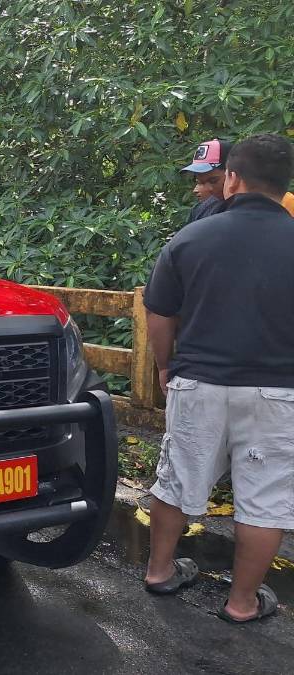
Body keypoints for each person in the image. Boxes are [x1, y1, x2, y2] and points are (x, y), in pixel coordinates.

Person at [142, 133, 294, 623]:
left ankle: (160, 571)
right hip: (277, 389)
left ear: (232, 177)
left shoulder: (192, 238)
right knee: (265, 497)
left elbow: (159, 311)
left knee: (176, 480)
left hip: (199, 382)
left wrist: (166, 365)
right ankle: (242, 602)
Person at [180, 138, 232, 224]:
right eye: (201, 182)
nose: (208, 189)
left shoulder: (253, 208)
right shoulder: (201, 210)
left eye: (213, 181)